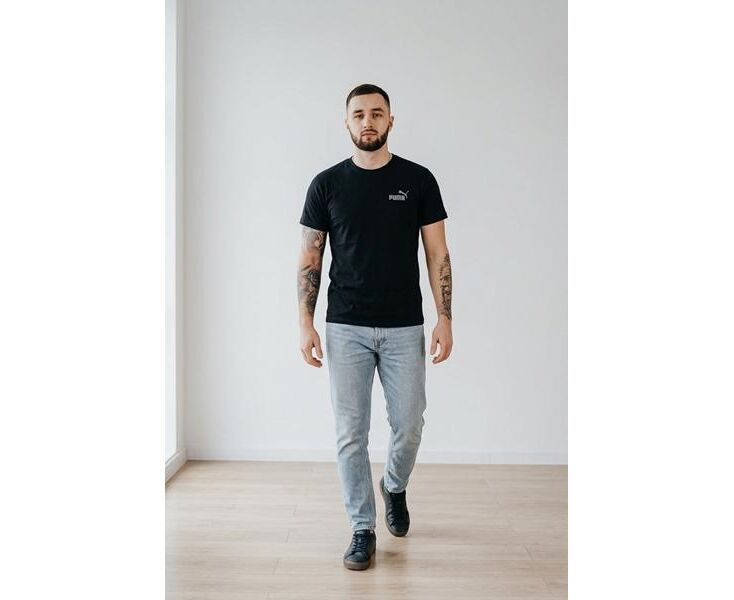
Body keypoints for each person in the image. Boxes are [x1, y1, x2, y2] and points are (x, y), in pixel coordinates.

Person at [296, 83, 453, 571]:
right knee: (351, 432)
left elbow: (437, 254)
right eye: (359, 114)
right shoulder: (326, 184)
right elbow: (310, 258)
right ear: (346, 123)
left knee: (410, 424)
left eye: (377, 113)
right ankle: (362, 528)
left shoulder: (418, 180)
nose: (368, 121)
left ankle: (394, 486)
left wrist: (445, 317)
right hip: (346, 326)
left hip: (404, 325)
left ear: (390, 121)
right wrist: (305, 323)